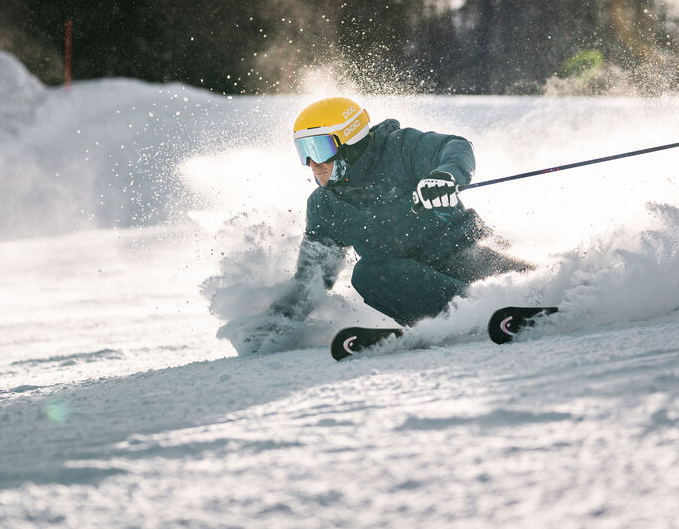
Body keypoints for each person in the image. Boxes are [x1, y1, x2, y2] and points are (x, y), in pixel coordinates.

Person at [224, 96, 531, 354]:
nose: (312, 163)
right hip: (418, 285)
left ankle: (513, 305)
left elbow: (454, 147)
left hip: (465, 251)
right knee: (369, 274)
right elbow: (312, 280)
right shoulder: (324, 206)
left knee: (530, 288)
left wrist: (447, 175)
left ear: (350, 141)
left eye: (318, 148)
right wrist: (275, 325)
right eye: (303, 151)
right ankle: (472, 316)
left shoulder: (398, 148)